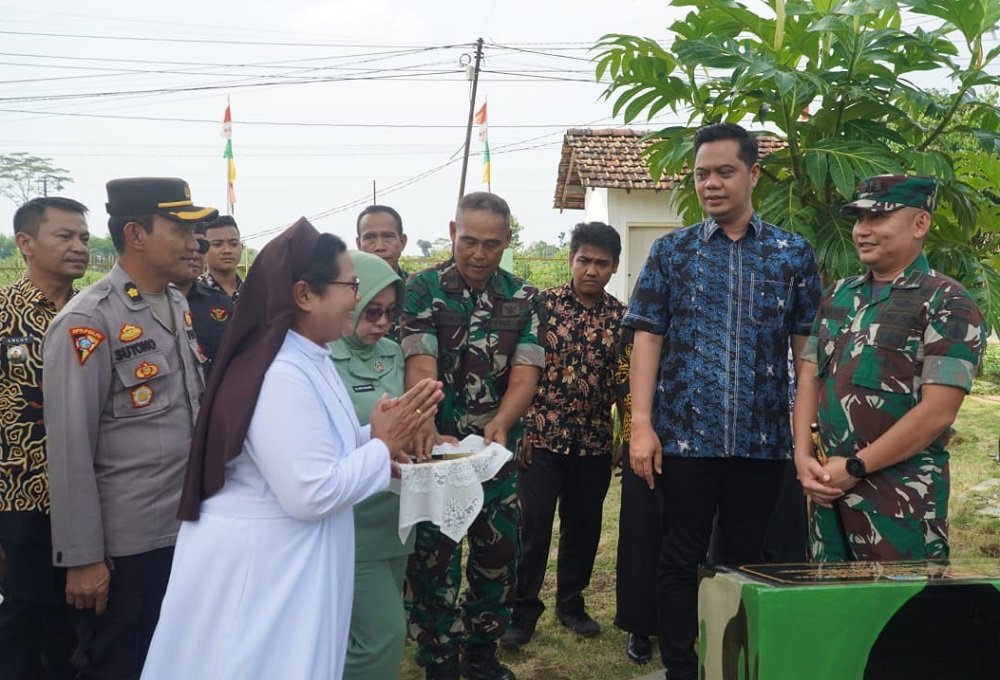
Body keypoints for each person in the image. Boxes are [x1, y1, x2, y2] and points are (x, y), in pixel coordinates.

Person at [143, 221, 443, 680]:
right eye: (351, 286)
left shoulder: (309, 357)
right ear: (304, 295)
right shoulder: (281, 374)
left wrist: (380, 445)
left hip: (291, 555)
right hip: (266, 565)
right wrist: (383, 445)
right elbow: (310, 491)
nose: (357, 299)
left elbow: (324, 449)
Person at [625, 122, 821, 680]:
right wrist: (642, 425)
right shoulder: (673, 252)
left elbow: (805, 351)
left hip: (762, 442)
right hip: (685, 438)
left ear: (753, 173)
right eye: (702, 174)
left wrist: (802, 433)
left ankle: (728, 665)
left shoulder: (792, 254)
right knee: (678, 559)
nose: (711, 184)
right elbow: (647, 338)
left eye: (724, 172)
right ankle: (682, 668)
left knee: (742, 563)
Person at [42, 177, 215, 679]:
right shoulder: (89, 320)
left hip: (183, 528)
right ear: (136, 234)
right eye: (181, 229)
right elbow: (70, 448)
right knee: (122, 663)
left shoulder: (175, 304)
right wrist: (83, 558)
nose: (196, 241)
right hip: (126, 545)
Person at [793, 174, 987, 562]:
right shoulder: (838, 296)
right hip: (830, 498)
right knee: (832, 613)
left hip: (901, 505)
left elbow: (937, 412)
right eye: (859, 220)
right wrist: (802, 458)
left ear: (920, 224)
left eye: (878, 218)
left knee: (903, 616)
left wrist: (855, 466)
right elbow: (809, 378)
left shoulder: (948, 303)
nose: (863, 231)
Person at [402, 192, 544, 680]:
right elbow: (420, 361)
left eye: (491, 244)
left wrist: (502, 421)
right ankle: (439, 658)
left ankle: (481, 653)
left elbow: (526, 372)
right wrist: (425, 419)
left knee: (498, 556)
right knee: (435, 560)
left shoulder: (525, 297)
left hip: (495, 453)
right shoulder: (422, 290)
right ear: (452, 233)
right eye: (469, 241)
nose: (479, 254)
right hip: (435, 449)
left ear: (507, 241)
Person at [502, 222, 624, 647]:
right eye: (584, 260)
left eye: (601, 263)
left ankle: (571, 603)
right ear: (571, 260)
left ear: (614, 267)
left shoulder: (621, 318)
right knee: (533, 526)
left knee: (584, 526)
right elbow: (518, 371)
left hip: (593, 440)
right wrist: (523, 427)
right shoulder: (542, 306)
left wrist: (624, 435)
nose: (591, 270)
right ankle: (522, 610)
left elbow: (626, 382)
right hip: (541, 437)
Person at [0, 196, 90, 679]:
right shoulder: (4, 314)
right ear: (25, 243)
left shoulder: (95, 314)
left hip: (91, 504)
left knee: (78, 630)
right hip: (19, 502)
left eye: (82, 237)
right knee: (21, 625)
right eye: (65, 236)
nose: (79, 247)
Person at [329, 250, 417, 680]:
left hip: (394, 516)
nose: (381, 322)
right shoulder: (321, 358)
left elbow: (399, 422)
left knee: (361, 634)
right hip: (352, 522)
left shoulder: (393, 352)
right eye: (372, 311)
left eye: (390, 312)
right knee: (383, 636)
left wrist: (428, 439)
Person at [612, 329, 658, 666]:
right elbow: (623, 379)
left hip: (701, 446)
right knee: (641, 533)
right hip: (644, 441)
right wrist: (637, 434)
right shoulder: (639, 321)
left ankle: (684, 621)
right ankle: (639, 626)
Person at [171, 223, 233, 379]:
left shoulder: (221, 302)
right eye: (188, 246)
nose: (195, 254)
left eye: (202, 247)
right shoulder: (148, 301)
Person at [198, 214, 243, 302]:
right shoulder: (192, 293)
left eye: (233, 244)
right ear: (204, 247)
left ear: (241, 247)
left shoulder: (255, 290)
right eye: (217, 244)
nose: (227, 250)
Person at [357, 204, 408, 279]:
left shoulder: (419, 288)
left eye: (387, 236)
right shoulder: (345, 289)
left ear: (402, 242)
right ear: (359, 245)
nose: (379, 247)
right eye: (369, 238)